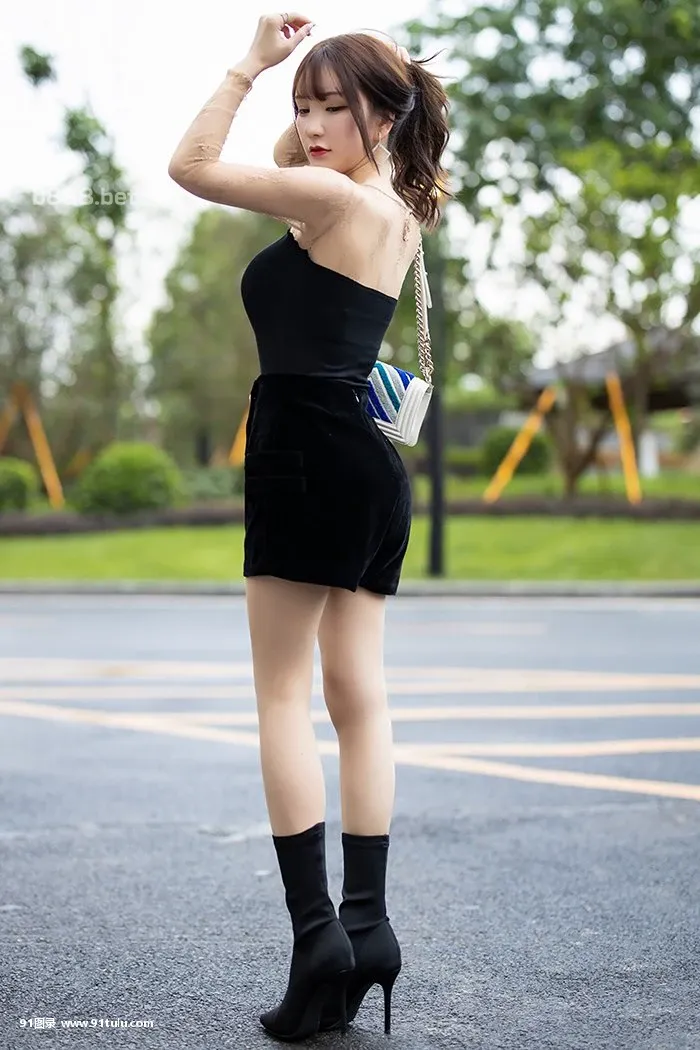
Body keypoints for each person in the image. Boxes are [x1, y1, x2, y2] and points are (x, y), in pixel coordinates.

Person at [168, 12, 451, 1042]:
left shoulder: (329, 198)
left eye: (337, 106)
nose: (314, 123)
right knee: (358, 699)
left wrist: (254, 64)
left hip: (301, 451)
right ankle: (368, 927)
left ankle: (314, 941)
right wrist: (343, 89)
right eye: (306, 105)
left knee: (283, 697)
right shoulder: (397, 207)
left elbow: (191, 166)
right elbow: (297, 150)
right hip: (370, 465)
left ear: (382, 114)